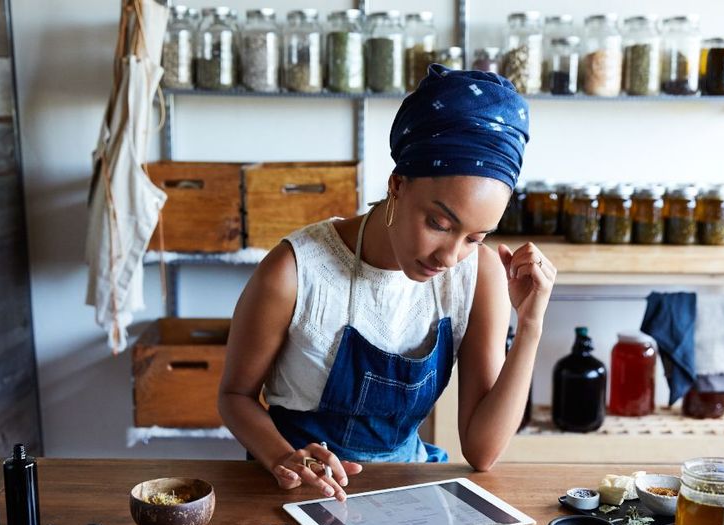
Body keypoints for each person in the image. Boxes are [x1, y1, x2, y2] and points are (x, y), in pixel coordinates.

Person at [218, 65, 555, 501]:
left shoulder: (479, 274)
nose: (449, 256)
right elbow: (234, 396)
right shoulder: (296, 270)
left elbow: (482, 451)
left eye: (475, 237)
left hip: (404, 492)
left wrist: (530, 326)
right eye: (438, 223)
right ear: (396, 185)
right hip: (295, 491)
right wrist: (284, 457)